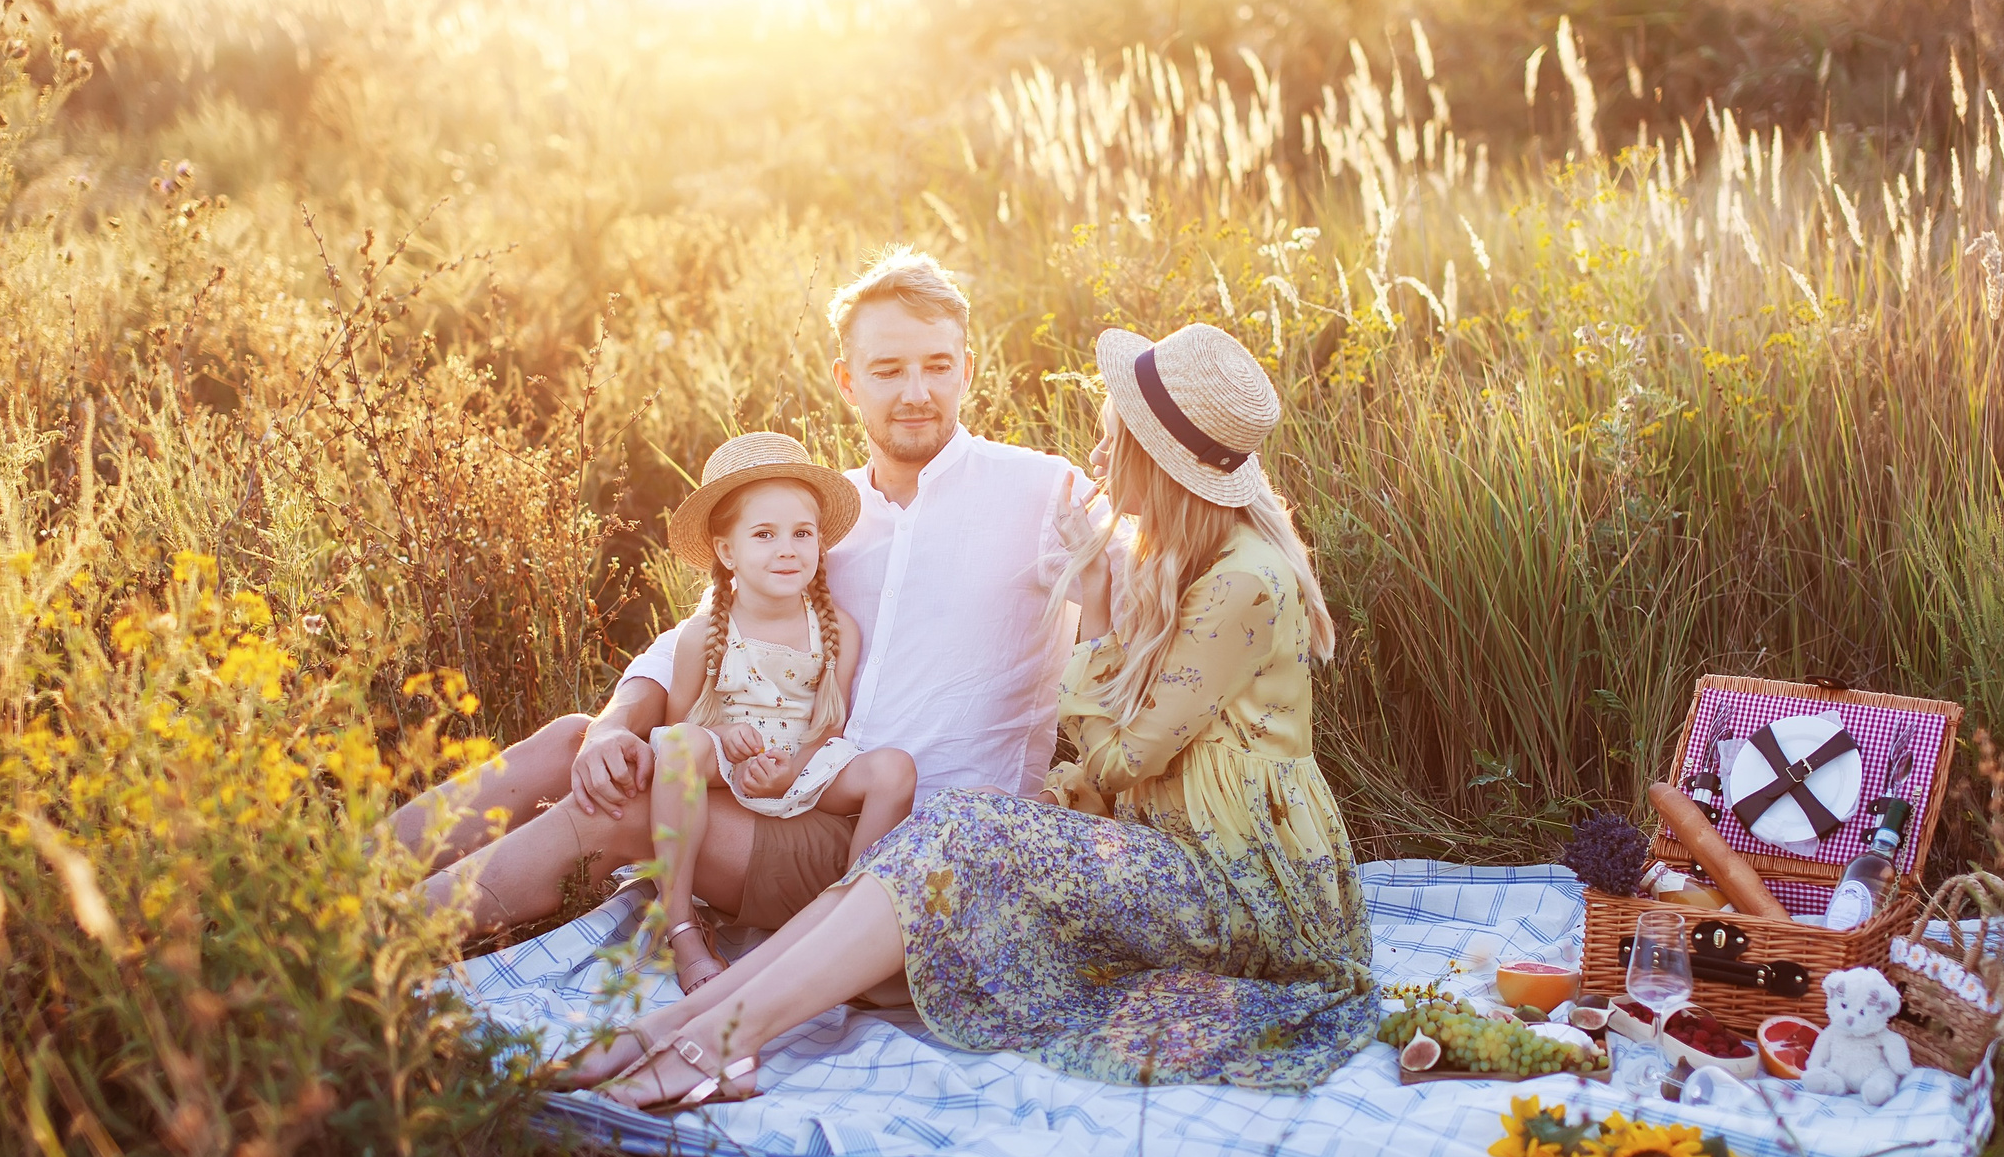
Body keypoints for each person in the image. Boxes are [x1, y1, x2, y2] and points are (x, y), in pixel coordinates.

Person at [569, 321, 1377, 1110]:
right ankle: (684, 1020)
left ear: (1159, 459)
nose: (1095, 457)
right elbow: (1128, 771)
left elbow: (1127, 757)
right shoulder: (1188, 559)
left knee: (966, 828)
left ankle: (712, 1038)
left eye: (1111, 440)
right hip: (1178, 853)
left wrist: (1092, 615)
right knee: (953, 822)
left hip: (1243, 887)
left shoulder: (1243, 578)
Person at [391, 248, 1108, 948]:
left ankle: (374, 942)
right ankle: (334, 882)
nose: (916, 391)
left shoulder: (1045, 492)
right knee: (573, 740)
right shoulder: (828, 516)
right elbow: (702, 632)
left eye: (938, 366)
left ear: (967, 369)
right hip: (790, 786)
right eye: (888, 370)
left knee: (627, 806)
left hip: (906, 842)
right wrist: (614, 727)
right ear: (848, 382)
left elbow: (1152, 602)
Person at [643, 432, 916, 990]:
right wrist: (725, 735)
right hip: (729, 767)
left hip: (803, 769)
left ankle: (845, 927)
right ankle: (682, 928)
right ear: (726, 551)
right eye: (764, 535)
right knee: (678, 749)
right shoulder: (704, 636)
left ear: (820, 542)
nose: (787, 549)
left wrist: (794, 766)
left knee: (895, 769)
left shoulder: (837, 630)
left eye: (802, 533)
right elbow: (679, 728)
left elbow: (829, 726)